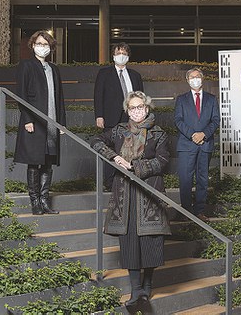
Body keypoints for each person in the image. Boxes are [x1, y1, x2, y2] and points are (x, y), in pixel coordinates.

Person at [90, 91, 170, 307]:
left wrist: (136, 166)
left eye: (141, 107)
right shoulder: (118, 131)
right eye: (133, 108)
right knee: (130, 242)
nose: (137, 111)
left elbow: (163, 160)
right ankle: (136, 290)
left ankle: (147, 287)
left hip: (149, 191)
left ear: (147, 108)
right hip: (124, 193)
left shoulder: (158, 133)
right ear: (127, 110)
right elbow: (95, 140)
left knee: (152, 241)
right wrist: (114, 157)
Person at [14, 30, 66, 215]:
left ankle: (45, 202)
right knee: (34, 161)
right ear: (33, 45)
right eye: (39, 44)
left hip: (52, 121)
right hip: (35, 121)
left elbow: (59, 97)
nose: (42, 47)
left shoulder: (54, 69)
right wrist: (27, 119)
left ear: (50, 47)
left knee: (48, 162)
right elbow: (21, 95)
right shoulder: (27, 66)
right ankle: (35, 202)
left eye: (46, 44)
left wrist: (61, 124)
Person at [94, 42, 144, 190]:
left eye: (124, 53)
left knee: (131, 148)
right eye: (118, 53)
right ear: (113, 55)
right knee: (111, 148)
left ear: (128, 56)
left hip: (131, 118)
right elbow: (98, 95)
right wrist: (99, 115)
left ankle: (128, 178)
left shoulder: (135, 76)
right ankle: (109, 182)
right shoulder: (104, 73)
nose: (121, 56)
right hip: (110, 118)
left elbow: (141, 97)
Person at [174, 68, 220, 222]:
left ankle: (199, 211)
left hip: (205, 144)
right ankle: (186, 211)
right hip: (187, 145)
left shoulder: (212, 99)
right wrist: (193, 134)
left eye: (198, 76)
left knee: (202, 178)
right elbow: (178, 120)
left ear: (203, 78)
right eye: (192, 77)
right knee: (186, 178)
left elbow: (216, 120)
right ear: (188, 80)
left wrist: (204, 134)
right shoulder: (181, 99)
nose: (195, 79)